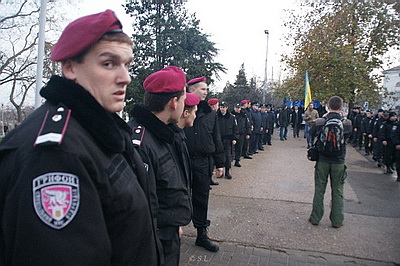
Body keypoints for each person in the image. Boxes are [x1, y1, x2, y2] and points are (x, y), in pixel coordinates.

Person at [0, 10, 160, 265]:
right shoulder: (56, 154)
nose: (125, 78)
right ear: (70, 67)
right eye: (108, 63)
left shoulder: (98, 130)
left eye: (127, 64)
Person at [128, 66, 192, 266]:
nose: (184, 106)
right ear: (174, 103)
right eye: (183, 99)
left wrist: (175, 223)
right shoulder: (140, 142)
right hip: (154, 243)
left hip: (169, 233)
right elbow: (141, 207)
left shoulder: (167, 134)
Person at [185, 76, 224, 252]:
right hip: (183, 160)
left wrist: (220, 163)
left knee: (201, 199)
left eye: (207, 90)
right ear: (191, 90)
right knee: (177, 196)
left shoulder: (211, 114)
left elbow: (216, 138)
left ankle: (201, 235)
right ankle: (170, 233)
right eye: (203, 89)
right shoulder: (181, 108)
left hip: (202, 162)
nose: (206, 93)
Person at [309, 96, 352, 228]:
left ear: (328, 106)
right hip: (338, 160)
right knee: (338, 190)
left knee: (319, 189)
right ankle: (337, 220)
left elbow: (311, 133)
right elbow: (347, 137)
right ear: (341, 107)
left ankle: (315, 218)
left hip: (322, 160)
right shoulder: (347, 123)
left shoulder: (320, 122)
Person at [217, 101, 238, 179]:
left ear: (227, 108)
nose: (222, 109)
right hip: (219, 139)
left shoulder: (231, 117)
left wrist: (235, 138)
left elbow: (235, 129)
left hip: (228, 140)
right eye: (221, 107)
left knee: (227, 157)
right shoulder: (216, 116)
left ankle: (227, 171)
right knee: (219, 156)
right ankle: (219, 171)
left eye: (223, 107)